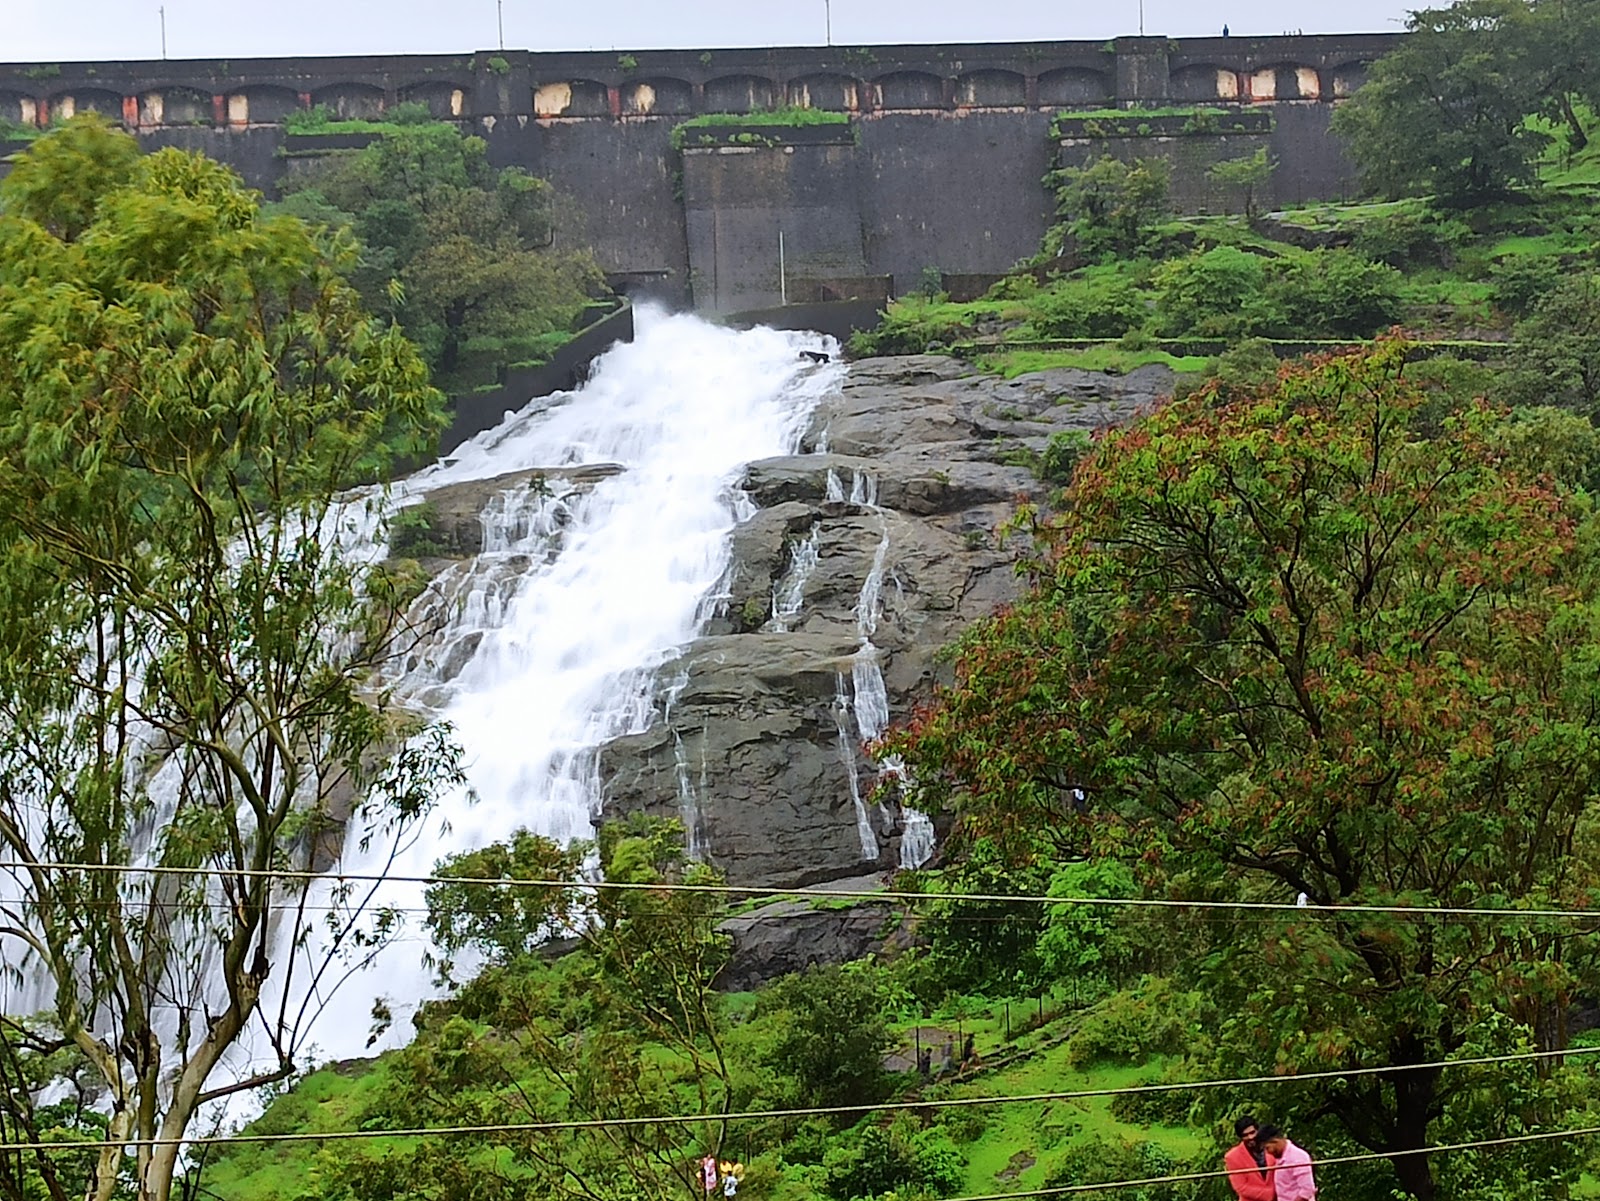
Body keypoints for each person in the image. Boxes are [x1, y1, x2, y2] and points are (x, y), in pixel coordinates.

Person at [1223, 1115, 1276, 1201]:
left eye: (1252, 1132)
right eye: (1245, 1135)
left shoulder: (1273, 1147)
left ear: (1257, 1131)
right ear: (1240, 1137)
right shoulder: (1232, 1156)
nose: (1250, 1137)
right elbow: (1240, 1187)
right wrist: (1269, 1194)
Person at [1259, 1126, 1317, 1201]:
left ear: (1275, 1141)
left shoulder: (1298, 1157)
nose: (1267, 1152)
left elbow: (1307, 1190)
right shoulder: (1279, 1157)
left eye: (1267, 1148)